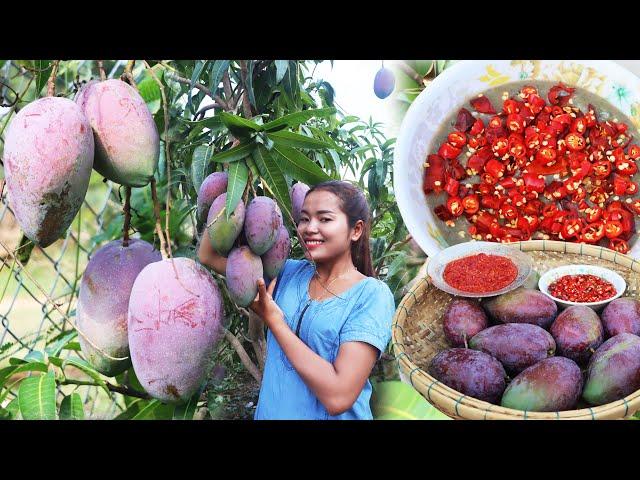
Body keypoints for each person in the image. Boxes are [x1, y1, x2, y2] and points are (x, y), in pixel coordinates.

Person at [198, 180, 395, 419]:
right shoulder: (287, 274)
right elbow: (208, 254)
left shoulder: (372, 295)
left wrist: (276, 323)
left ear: (356, 230)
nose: (309, 228)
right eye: (304, 218)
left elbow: (339, 397)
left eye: (324, 219)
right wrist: (235, 181)